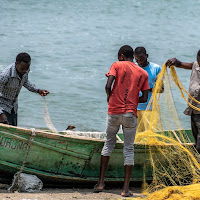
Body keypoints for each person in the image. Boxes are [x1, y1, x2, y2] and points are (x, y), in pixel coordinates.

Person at [94, 45, 149, 197]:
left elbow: (108, 85)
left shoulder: (116, 65)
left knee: (108, 144)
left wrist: (109, 97)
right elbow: (144, 98)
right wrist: (132, 100)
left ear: (122, 55)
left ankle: (100, 183)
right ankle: (125, 189)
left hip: (114, 112)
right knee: (128, 149)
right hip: (130, 114)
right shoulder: (143, 72)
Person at [0, 52, 49, 126]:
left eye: (27, 69)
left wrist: (37, 90)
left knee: (14, 131)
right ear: (16, 64)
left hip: (13, 107)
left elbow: (25, 81)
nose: (24, 71)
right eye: (22, 69)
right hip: (3, 107)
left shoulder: (25, 70)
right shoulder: (5, 75)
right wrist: (1, 114)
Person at [166, 50, 200, 153]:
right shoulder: (195, 65)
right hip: (193, 107)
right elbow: (180, 64)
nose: (198, 63)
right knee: (195, 134)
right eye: (198, 61)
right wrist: (175, 61)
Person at [134, 47, 162, 132]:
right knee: (136, 135)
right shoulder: (133, 67)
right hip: (135, 107)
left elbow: (161, 89)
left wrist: (147, 89)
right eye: (137, 60)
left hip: (150, 108)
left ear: (147, 56)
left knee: (152, 134)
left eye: (141, 59)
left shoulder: (156, 68)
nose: (140, 62)